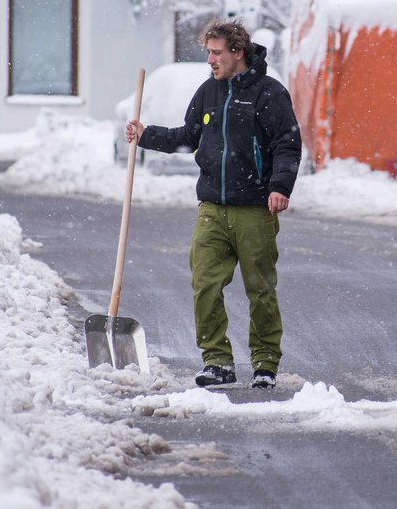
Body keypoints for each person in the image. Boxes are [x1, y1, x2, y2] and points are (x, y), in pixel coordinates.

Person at [125, 20, 301, 389]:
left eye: (216, 52)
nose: (210, 60)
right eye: (208, 52)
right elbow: (188, 136)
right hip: (212, 208)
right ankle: (217, 361)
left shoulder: (270, 93)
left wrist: (280, 186)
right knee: (205, 283)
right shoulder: (209, 92)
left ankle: (265, 363)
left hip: (255, 208)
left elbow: (287, 143)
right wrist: (146, 135)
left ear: (238, 52)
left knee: (260, 289)